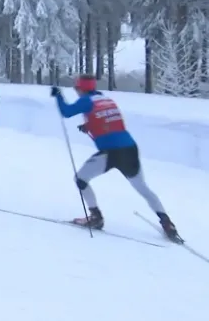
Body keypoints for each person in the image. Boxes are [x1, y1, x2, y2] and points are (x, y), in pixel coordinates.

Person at [51, 74, 181, 242]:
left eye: (76, 88)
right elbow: (110, 120)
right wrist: (89, 125)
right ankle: (167, 223)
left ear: (81, 88)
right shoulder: (106, 100)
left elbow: (66, 112)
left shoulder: (86, 101)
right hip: (130, 149)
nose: (76, 91)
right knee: (143, 188)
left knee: (81, 180)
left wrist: (58, 95)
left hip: (111, 153)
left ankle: (96, 217)